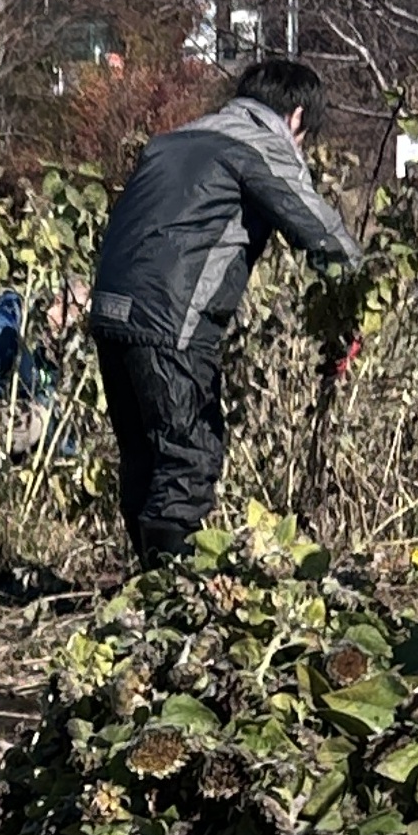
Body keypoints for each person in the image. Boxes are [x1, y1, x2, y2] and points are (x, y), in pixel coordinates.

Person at [87, 58, 362, 564]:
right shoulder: (261, 144)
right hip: (174, 319)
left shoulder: (174, 140)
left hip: (109, 310)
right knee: (189, 456)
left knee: (145, 456)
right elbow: (323, 236)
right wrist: (356, 305)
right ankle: (169, 601)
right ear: (296, 117)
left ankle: (147, 593)